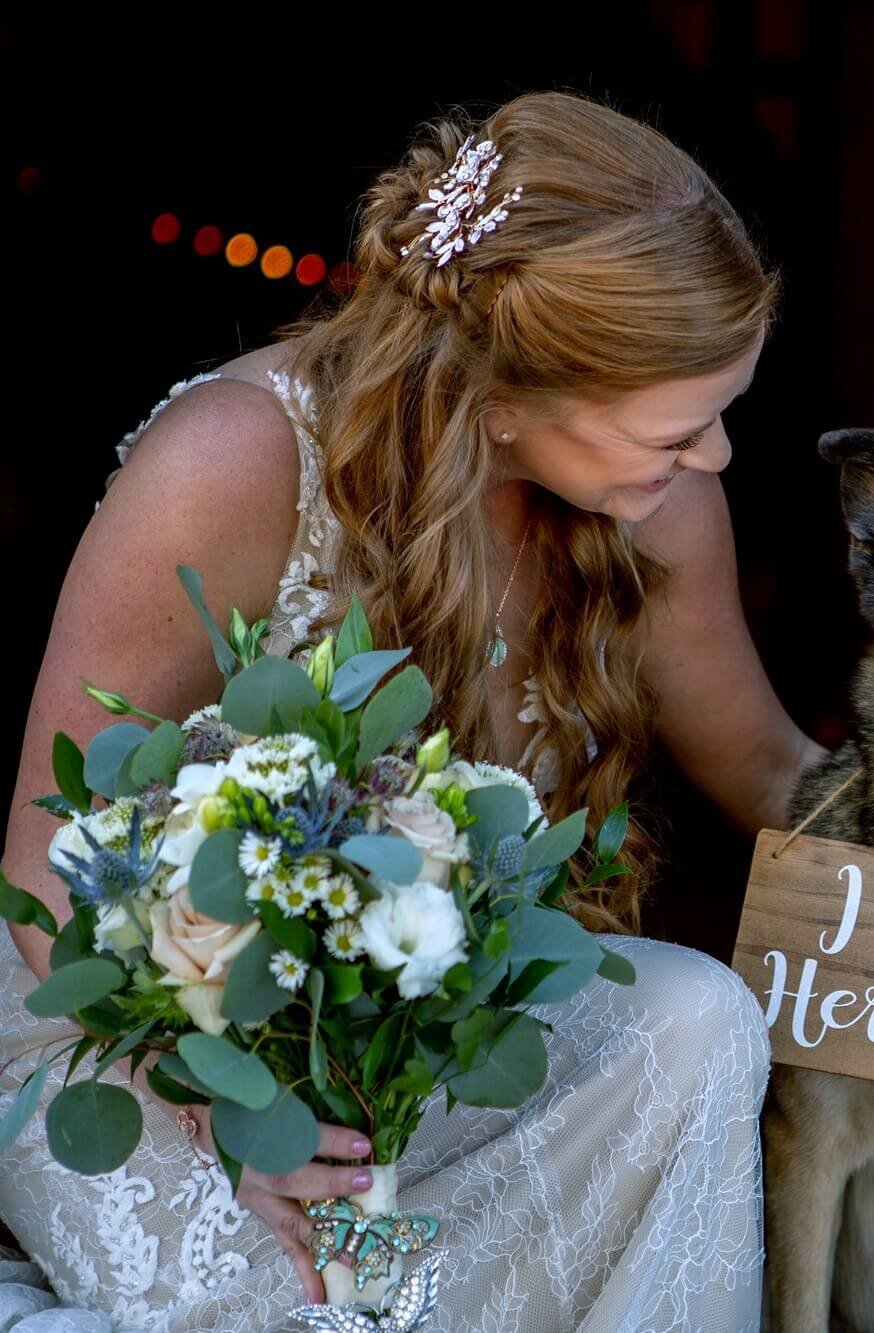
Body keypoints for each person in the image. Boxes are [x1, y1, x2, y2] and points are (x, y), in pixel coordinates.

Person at [0, 91, 822, 1331]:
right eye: (681, 421)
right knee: (315, 1308)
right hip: (149, 1037)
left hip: (418, 1043)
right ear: (508, 394)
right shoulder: (232, 458)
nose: (712, 458)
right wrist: (218, 1099)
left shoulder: (655, 508)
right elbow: (49, 859)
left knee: (694, 1015)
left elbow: (771, 771)